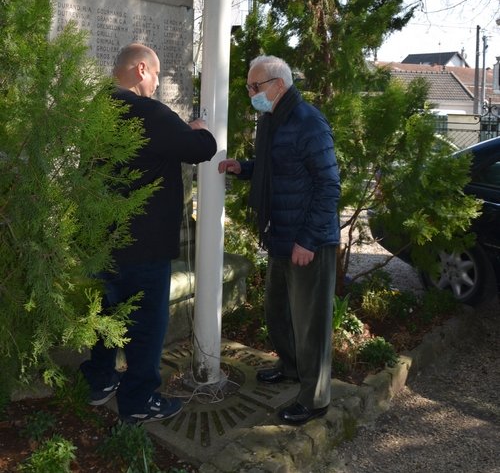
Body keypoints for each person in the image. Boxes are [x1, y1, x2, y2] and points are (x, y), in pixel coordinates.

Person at [80, 43, 217, 424]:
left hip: (103, 240)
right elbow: (199, 149)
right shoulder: (145, 111)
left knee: (109, 313)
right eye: (156, 74)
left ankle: (100, 379)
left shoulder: (96, 108)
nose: (156, 84)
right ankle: (139, 399)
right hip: (144, 244)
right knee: (147, 326)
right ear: (141, 69)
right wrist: (201, 130)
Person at [218, 55, 341, 426]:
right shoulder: (273, 120)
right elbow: (278, 169)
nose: (251, 94)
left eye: (255, 87)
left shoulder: (308, 121)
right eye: (249, 87)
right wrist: (245, 169)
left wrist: (308, 239)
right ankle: (290, 368)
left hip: (308, 242)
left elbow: (328, 185)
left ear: (279, 85)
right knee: (279, 312)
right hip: (281, 235)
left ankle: (315, 398)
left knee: (310, 323)